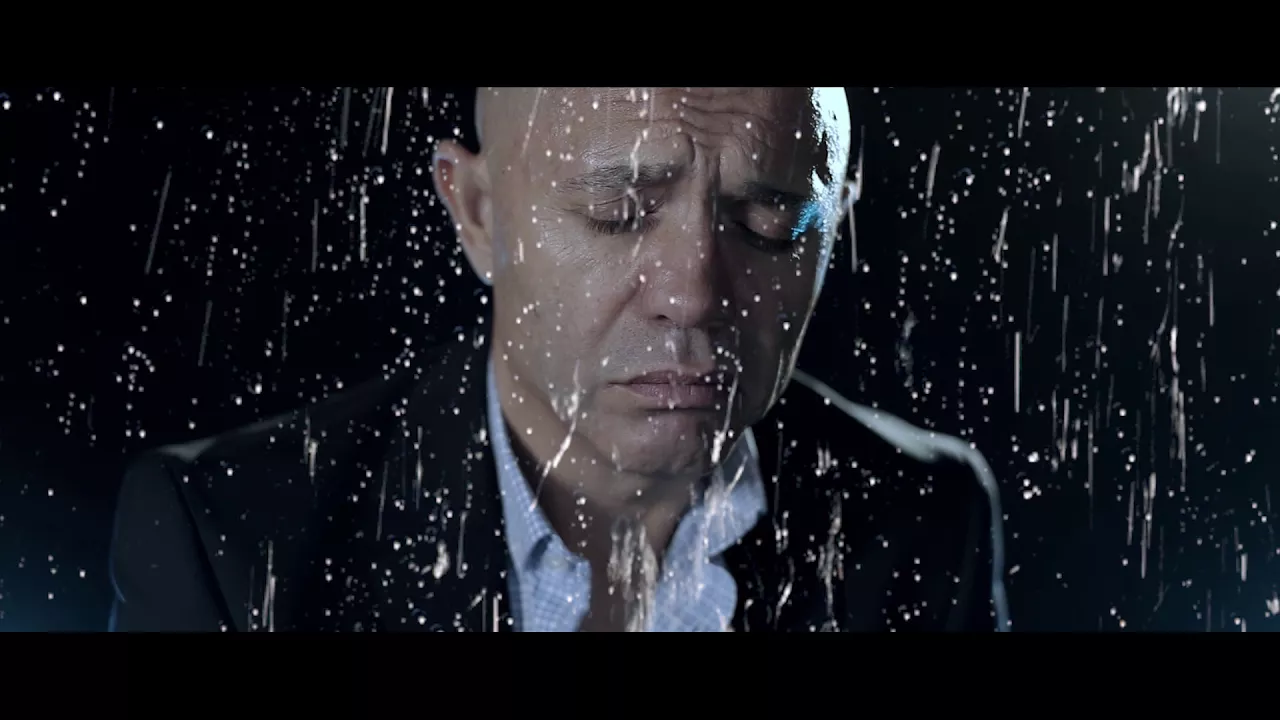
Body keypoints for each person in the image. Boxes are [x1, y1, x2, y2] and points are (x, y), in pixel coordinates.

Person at [107, 87, 1008, 632]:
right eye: (618, 213)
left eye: (771, 222)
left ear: (838, 216)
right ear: (477, 213)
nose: (694, 294)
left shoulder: (928, 515)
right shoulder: (232, 539)